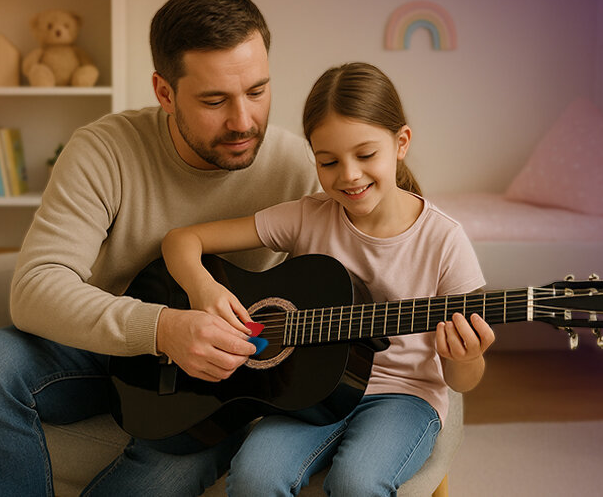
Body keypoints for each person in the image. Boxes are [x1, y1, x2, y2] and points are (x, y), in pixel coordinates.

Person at [0, 0, 319, 495]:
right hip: (102, 352)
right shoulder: (104, 150)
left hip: (219, 385)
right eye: (214, 101)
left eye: (257, 90)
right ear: (164, 91)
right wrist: (161, 329)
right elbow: (34, 287)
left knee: (181, 459)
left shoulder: (299, 165)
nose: (243, 121)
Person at [162, 62, 496, 496]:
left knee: (356, 482)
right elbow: (180, 240)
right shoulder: (307, 217)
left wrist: (466, 357)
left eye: (365, 154)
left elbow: (463, 381)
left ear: (401, 143)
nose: (349, 175)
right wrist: (202, 288)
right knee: (254, 476)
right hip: (309, 393)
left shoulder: (444, 240)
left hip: (404, 396)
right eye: (328, 161)